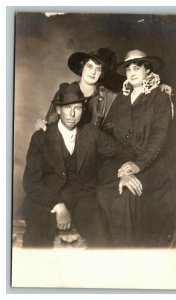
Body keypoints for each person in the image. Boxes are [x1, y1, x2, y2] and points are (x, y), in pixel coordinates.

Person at [21, 81, 135, 248]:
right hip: (47, 196)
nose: (72, 114)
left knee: (102, 237)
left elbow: (122, 152)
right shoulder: (41, 138)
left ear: (83, 110)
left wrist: (126, 172)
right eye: (67, 108)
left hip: (83, 196)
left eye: (78, 108)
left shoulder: (91, 133)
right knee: (36, 238)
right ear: (58, 110)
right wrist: (58, 206)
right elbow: (31, 182)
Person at [97, 49, 176, 248]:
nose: (132, 73)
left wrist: (137, 165)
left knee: (126, 196)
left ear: (147, 69)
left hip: (154, 162)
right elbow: (109, 128)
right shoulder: (122, 98)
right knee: (102, 191)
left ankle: (131, 256)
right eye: (128, 69)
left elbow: (160, 136)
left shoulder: (160, 96)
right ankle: (112, 252)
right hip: (124, 159)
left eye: (137, 67)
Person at [36, 48, 172, 131]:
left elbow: (135, 89)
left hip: (93, 155)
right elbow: (50, 122)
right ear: (82, 67)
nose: (93, 72)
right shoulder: (64, 91)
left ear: (102, 74)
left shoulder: (108, 95)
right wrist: (42, 124)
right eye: (90, 67)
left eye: (98, 69)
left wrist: (157, 87)